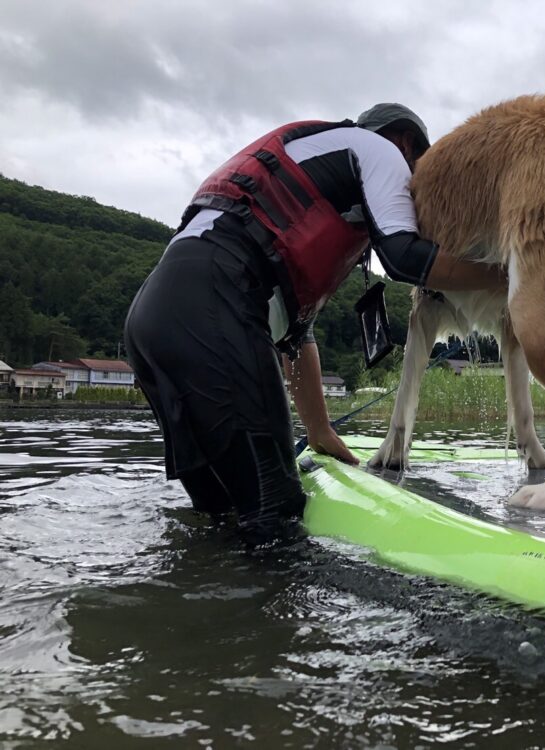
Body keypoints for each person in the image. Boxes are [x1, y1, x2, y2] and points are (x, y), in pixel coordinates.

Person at [124, 103, 505, 544]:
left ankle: (201, 601)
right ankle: (271, 610)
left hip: (152, 320)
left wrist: (319, 431)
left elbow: (297, 334)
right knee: (276, 513)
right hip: (213, 304)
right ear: (406, 145)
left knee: (221, 508)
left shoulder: (322, 169)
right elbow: (403, 258)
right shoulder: (378, 150)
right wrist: (508, 274)